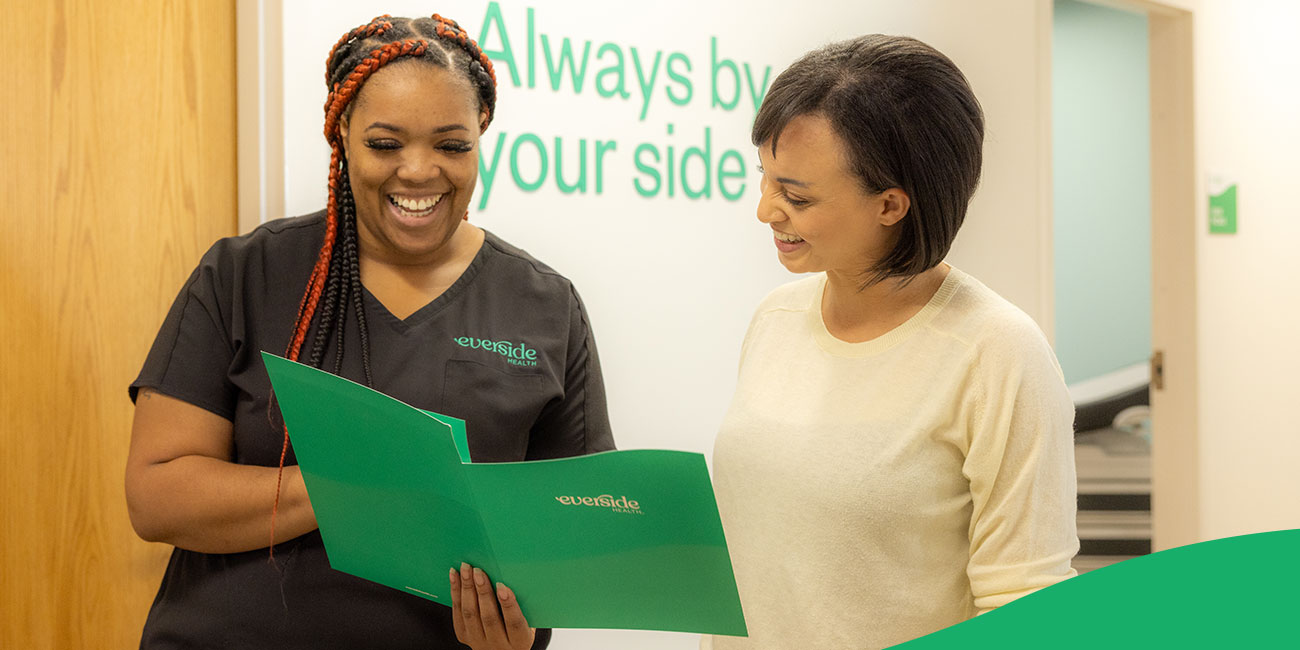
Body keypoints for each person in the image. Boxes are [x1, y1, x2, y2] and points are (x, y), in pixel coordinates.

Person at [124, 14, 612, 650]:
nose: (419, 171)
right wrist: (345, 488)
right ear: (343, 136)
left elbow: (575, 540)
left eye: (452, 145)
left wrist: (518, 638)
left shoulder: (545, 306)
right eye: (386, 144)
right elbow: (156, 494)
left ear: (481, 139)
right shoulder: (247, 274)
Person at [706, 35, 1079, 649]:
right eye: (766, 180)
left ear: (891, 204)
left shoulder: (997, 353)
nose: (765, 210)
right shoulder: (775, 319)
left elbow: (1024, 606)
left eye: (796, 196)